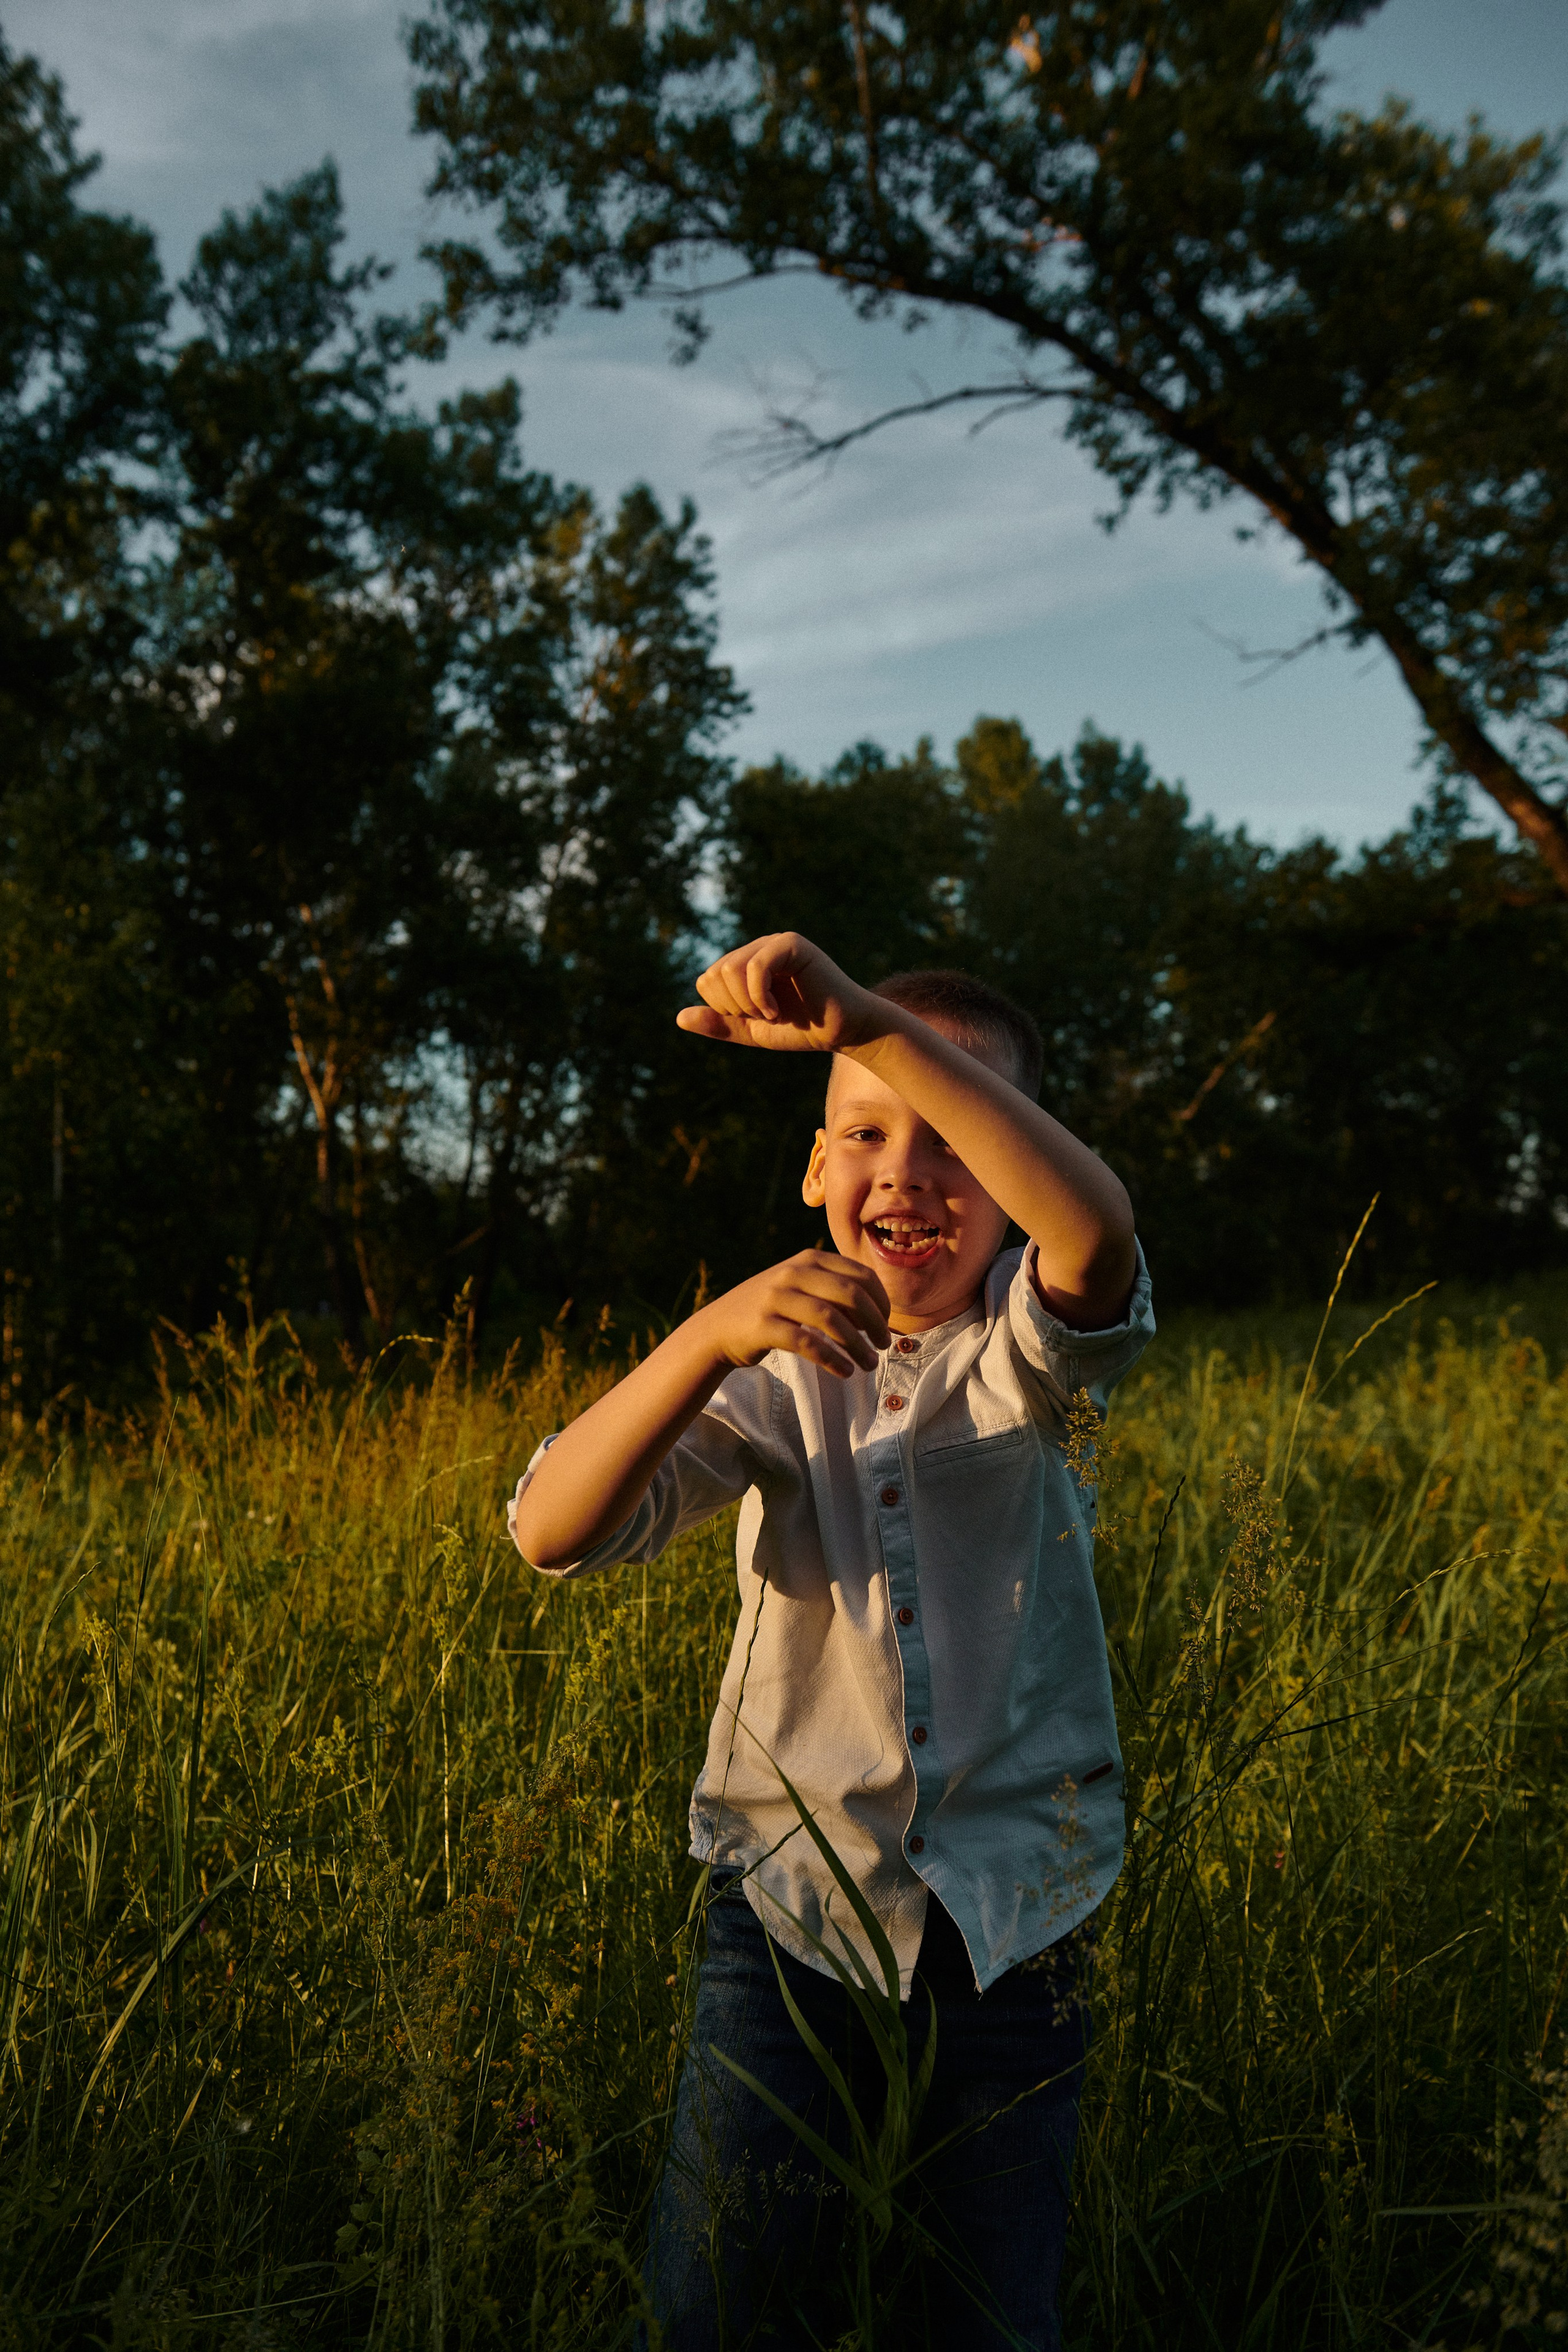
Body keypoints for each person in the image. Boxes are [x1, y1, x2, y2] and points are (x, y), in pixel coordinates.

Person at [508, 931, 1154, 2351]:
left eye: (955, 1145)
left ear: (1014, 1177)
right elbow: (551, 1530)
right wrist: (708, 1338)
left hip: (1015, 1917)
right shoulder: (773, 1362)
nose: (907, 1174)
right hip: (790, 1913)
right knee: (721, 2306)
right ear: (812, 1176)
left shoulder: (1031, 1353)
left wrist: (860, 1017)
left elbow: (1094, 1234)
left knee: (987, 2315)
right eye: (864, 1131)